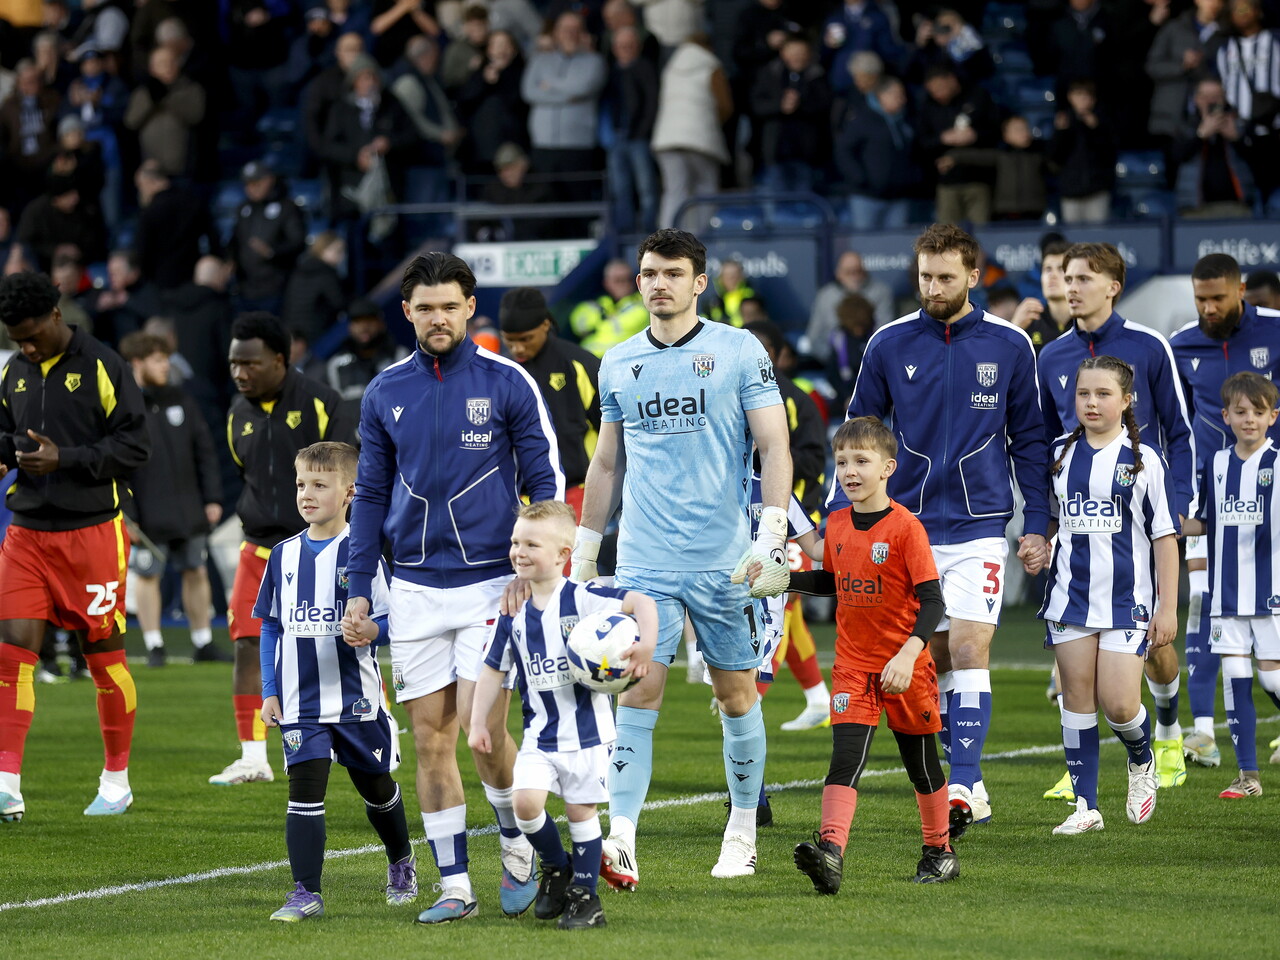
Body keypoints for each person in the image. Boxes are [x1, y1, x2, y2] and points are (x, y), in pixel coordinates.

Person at [343, 253, 564, 923]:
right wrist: (360, 587)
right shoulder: (384, 392)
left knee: (483, 735)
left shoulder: (507, 381)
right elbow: (371, 496)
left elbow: (545, 481)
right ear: (406, 312)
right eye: (425, 308)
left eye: (450, 306)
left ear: (470, 308)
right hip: (410, 591)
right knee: (431, 740)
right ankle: (456, 887)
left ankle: (513, 838)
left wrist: (537, 567)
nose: (438, 318)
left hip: (492, 588)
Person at [570, 228, 792, 883]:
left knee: (735, 696)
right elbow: (607, 462)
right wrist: (586, 553)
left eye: (671, 273)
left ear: (700, 283)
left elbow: (775, 447)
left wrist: (771, 535)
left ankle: (743, 831)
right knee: (635, 694)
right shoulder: (617, 361)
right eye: (647, 273)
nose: (657, 284)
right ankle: (622, 839)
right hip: (643, 562)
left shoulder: (738, 349)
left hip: (725, 562)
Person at [839, 222, 1051, 835]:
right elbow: (858, 439)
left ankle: (961, 782)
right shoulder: (887, 343)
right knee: (926, 656)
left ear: (973, 277)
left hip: (980, 526)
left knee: (967, 645)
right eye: (925, 276)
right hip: (902, 529)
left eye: (945, 277)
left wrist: (1036, 522)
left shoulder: (1011, 346)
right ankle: (971, 781)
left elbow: (1030, 441)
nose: (932, 287)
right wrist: (840, 521)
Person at [1035, 242, 1194, 795]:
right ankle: (1083, 781)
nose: (1069, 286)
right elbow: (1044, 446)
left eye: (1082, 277)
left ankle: (1167, 730)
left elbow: (1180, 427)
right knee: (1078, 679)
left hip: (1144, 519)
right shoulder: (1052, 357)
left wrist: (1179, 508)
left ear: (1113, 287)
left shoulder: (1149, 346)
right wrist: (1044, 525)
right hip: (1082, 532)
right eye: (1064, 276)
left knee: (1158, 649)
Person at [781, 416, 956, 890]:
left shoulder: (906, 528)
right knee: (845, 759)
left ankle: (939, 851)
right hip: (853, 667)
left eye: (862, 461)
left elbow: (933, 601)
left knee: (921, 767)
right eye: (842, 462)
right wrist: (784, 580)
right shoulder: (836, 523)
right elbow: (834, 581)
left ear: (888, 468)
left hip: (906, 668)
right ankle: (831, 853)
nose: (850, 471)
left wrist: (906, 655)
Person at [0, 271, 149, 822]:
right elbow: (4, 434)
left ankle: (116, 781)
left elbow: (136, 446)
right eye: (17, 338)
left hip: (92, 535)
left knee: (103, 661)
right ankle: (6, 783)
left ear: (57, 315)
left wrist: (65, 459)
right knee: (10, 655)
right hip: (26, 534)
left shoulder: (104, 365)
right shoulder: (15, 371)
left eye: (33, 334)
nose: (26, 347)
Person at [469, 500, 657, 930]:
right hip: (539, 734)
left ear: (562, 554)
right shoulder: (511, 615)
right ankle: (557, 867)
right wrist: (480, 722)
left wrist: (645, 644)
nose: (519, 551)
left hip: (588, 735)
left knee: (580, 814)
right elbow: (493, 670)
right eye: (516, 542)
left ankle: (585, 898)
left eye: (531, 543)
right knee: (525, 805)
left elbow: (640, 601)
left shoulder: (584, 598)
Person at [259, 441, 415, 922]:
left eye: (320, 485)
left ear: (350, 492)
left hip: (356, 702)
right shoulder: (282, 556)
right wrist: (269, 689)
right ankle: (305, 890)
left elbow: (392, 620)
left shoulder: (362, 556)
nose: (307, 494)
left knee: (376, 787)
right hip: (300, 701)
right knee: (304, 791)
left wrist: (372, 630)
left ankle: (401, 861)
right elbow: (270, 624)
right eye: (302, 484)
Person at [1036, 355, 1179, 835]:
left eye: (1102, 394)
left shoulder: (1144, 460)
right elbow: (1052, 520)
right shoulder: (1059, 453)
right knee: (1076, 699)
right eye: (1083, 394)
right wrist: (1039, 544)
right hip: (1069, 598)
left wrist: (1168, 607)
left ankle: (1142, 761)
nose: (1091, 403)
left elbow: (1164, 536)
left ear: (1126, 400)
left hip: (1127, 601)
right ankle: (1085, 808)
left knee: (1118, 704)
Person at [217, 312, 356, 788]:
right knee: (247, 644)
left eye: (250, 363)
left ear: (279, 359)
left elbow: (351, 473)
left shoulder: (323, 403)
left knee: (345, 641)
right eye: (235, 363)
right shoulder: (237, 413)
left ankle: (366, 724)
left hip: (324, 549)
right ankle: (253, 755)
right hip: (259, 550)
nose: (240, 373)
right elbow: (245, 476)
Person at [1169, 253, 1280, 768]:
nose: (1209, 308)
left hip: (1273, 497)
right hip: (1212, 492)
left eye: (1218, 297)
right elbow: (1177, 424)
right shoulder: (1182, 345)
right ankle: (1203, 733)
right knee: (1203, 600)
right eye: (1200, 299)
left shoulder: (1275, 331)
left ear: (1241, 290)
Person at [1181, 372, 1280, 799]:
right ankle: (1248, 776)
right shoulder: (1217, 463)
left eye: (1258, 412)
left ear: (1273, 417)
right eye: (1241, 412)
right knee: (1236, 678)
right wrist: (1174, 526)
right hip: (1225, 594)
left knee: (1272, 682)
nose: (1249, 420)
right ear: (1225, 416)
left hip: (1271, 593)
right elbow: (1207, 519)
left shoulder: (1277, 463)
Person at [118, 331, 227, 669]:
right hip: (148, 511)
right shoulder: (124, 406)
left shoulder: (181, 398)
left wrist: (212, 497)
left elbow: (204, 451)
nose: (165, 365)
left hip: (189, 506)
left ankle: (203, 640)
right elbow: (118, 466)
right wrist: (129, 515)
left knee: (196, 570)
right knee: (148, 576)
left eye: (166, 358)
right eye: (157, 360)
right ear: (137, 363)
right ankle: (154, 644)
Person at [498, 287, 600, 517]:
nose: (518, 348)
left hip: (578, 493)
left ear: (545, 325)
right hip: (518, 500)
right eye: (509, 341)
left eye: (526, 339)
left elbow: (613, 435)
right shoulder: (500, 373)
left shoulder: (581, 365)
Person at [228, 160, 308, 317]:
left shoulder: (287, 208)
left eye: (255, 183)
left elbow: (298, 242)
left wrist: (272, 252)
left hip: (276, 287)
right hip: (246, 287)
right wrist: (230, 259)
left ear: (268, 180)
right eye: (247, 184)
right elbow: (235, 240)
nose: (250, 189)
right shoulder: (244, 209)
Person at [805, 250, 894, 362]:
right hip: (834, 361)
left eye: (858, 271)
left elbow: (884, 334)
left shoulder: (880, 292)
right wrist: (837, 360)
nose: (855, 276)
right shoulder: (826, 296)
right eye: (849, 272)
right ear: (838, 274)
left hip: (871, 360)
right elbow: (814, 338)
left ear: (864, 272)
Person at [325, 297, 409, 409]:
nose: (364, 327)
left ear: (381, 324)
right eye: (358, 322)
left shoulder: (400, 356)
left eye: (369, 321)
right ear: (350, 327)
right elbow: (337, 409)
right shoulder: (337, 364)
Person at [568, 258, 649, 357]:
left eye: (627, 279)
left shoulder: (643, 304)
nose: (623, 284)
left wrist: (597, 323)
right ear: (607, 283)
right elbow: (578, 324)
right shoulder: (598, 303)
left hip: (623, 362)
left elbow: (626, 325)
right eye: (618, 280)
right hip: (590, 361)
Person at [1011, 238, 1073, 355]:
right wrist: (1015, 327)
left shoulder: (1086, 323)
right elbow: (1000, 364)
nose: (1052, 275)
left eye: (1061, 269)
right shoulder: (1028, 321)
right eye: (1047, 269)